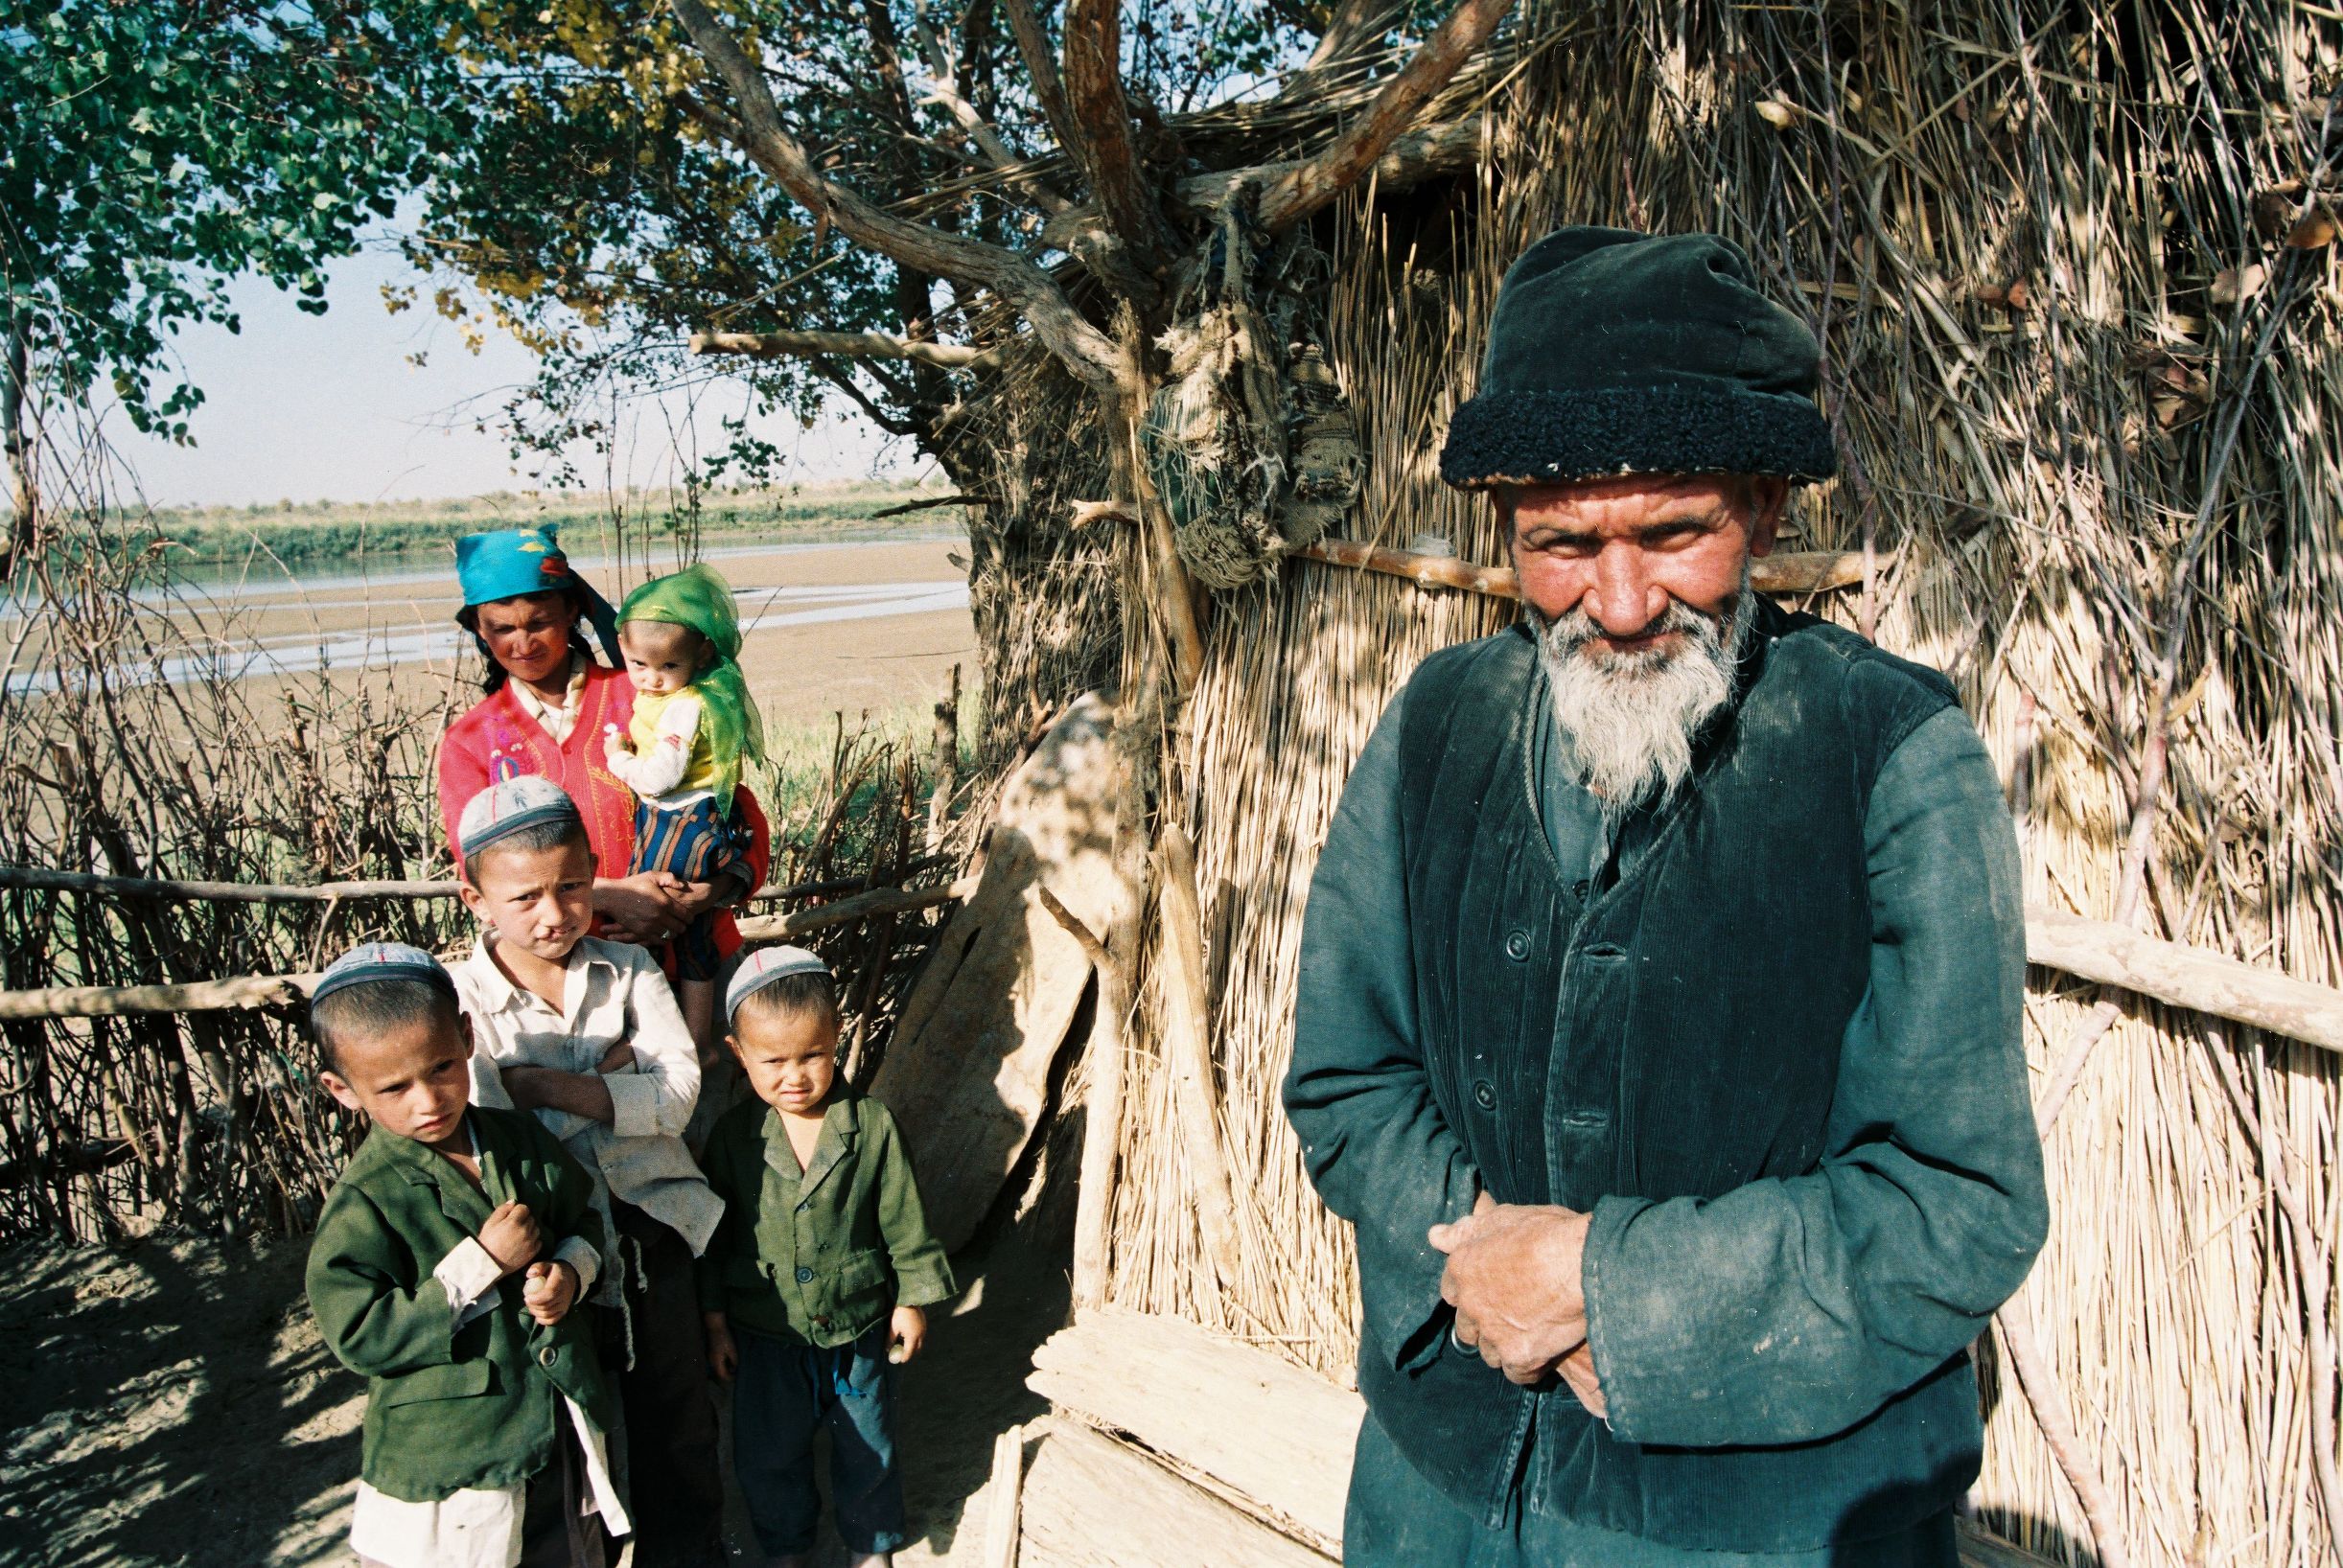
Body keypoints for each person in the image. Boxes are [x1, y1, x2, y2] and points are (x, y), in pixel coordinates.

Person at [1283, 226, 2051, 1567]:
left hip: (1760, 1524)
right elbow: (1349, 1080)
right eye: (1563, 544)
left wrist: (1606, 1290)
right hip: (1437, 1494)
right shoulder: (1434, 728)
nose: (1622, 601)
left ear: (1763, 507)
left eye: (1675, 532)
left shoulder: (1894, 754)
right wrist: (1482, 1269)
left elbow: (1957, 1197)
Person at [450, 776, 728, 1568]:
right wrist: (611, 1078)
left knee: (679, 1421)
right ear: (474, 898)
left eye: (573, 887)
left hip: (651, 1223)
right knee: (576, 1438)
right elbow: (490, 1132)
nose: (554, 913)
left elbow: (677, 1098)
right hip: (552, 1250)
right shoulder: (462, 1000)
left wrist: (545, 1084)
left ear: (595, 869)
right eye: (525, 896)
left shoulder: (631, 969)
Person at [304, 941, 629, 1568]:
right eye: (394, 1087)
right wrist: (481, 1261)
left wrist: (570, 1273)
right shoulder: (365, 1202)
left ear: (467, 1035)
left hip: (552, 1424)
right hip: (455, 1454)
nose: (428, 1101)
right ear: (341, 1089)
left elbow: (582, 1218)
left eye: (442, 1069)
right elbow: (360, 1335)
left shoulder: (517, 1142)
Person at [435, 525, 772, 1013]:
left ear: (572, 611)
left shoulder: (649, 693)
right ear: (479, 631)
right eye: (503, 629)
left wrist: (702, 896)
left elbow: (732, 810)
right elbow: (481, 868)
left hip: (694, 960)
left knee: (717, 1082)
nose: (523, 642)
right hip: (568, 988)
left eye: (539, 622)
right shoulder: (472, 742)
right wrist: (609, 897)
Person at [696, 947, 956, 1568]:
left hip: (858, 1325)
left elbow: (903, 1219)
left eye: (811, 1055)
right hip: (767, 1331)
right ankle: (787, 1547)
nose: (795, 1075)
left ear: (836, 1038)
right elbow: (711, 1239)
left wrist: (912, 1300)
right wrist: (714, 1324)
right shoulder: (733, 1140)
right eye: (773, 1061)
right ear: (739, 1054)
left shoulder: (871, 1126)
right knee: (768, 1452)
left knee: (869, 1442)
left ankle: (871, 1543)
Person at [602, 564, 765, 1049]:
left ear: (700, 657)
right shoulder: (666, 697)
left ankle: (693, 1040)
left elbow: (661, 775)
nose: (651, 680)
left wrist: (619, 760)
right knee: (665, 921)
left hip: (683, 819)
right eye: (638, 666)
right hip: (669, 814)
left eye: (668, 667)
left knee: (673, 918)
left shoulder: (687, 705)